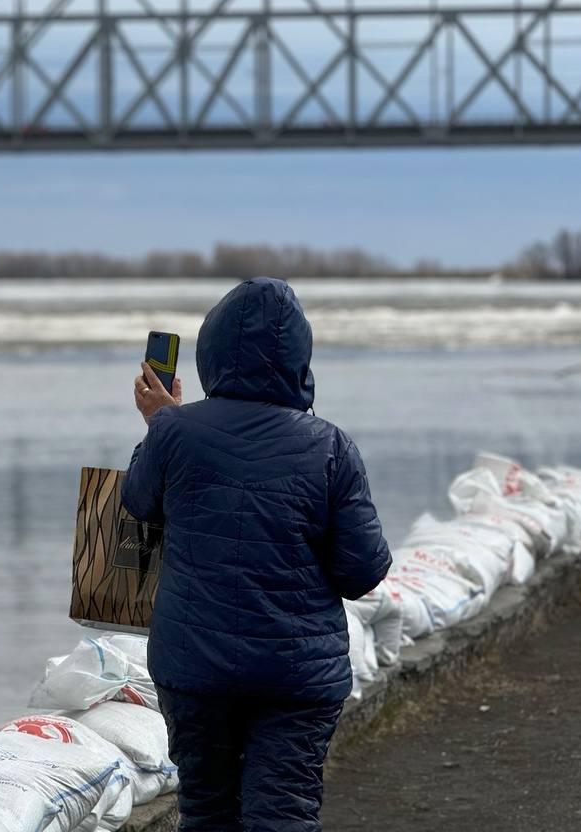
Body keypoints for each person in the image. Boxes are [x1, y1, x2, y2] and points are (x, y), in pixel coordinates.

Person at [121, 277, 391, 832]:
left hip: (193, 667)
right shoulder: (331, 446)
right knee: (283, 813)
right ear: (299, 359)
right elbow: (362, 571)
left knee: (208, 811)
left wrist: (161, 422)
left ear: (210, 352)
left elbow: (137, 503)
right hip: (296, 675)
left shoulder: (174, 430)